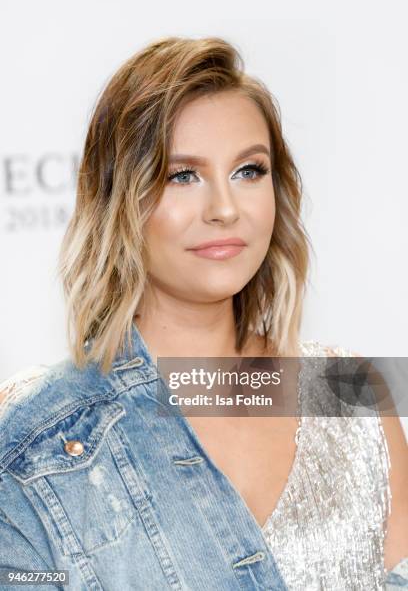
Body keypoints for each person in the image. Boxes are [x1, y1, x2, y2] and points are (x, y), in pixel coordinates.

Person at [0, 36, 407, 591]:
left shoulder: (347, 392)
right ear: (119, 199)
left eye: (248, 171)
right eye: (181, 175)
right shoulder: (40, 433)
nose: (224, 208)